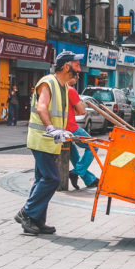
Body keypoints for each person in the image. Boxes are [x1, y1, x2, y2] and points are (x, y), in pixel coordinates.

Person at [14, 51, 82, 235]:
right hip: (42, 139)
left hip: (52, 141)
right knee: (52, 179)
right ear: (66, 66)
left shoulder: (64, 86)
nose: (79, 69)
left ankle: (36, 221)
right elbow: (42, 107)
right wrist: (51, 127)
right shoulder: (48, 82)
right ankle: (26, 213)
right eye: (76, 65)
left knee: (41, 179)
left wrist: (65, 132)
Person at [66, 80, 99, 190]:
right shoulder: (71, 90)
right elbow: (82, 111)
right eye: (76, 75)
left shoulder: (58, 89)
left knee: (73, 154)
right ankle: (76, 172)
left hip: (59, 127)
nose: (78, 78)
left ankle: (89, 179)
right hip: (70, 127)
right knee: (93, 145)